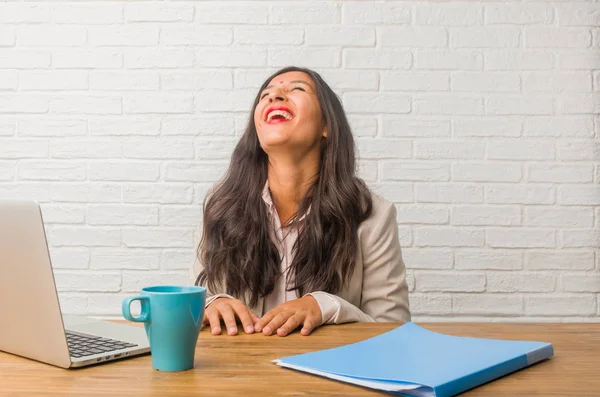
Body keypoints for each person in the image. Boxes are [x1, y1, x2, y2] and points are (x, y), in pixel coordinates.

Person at [191, 66, 410, 338]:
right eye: (265, 95)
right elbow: (195, 299)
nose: (274, 97)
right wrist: (213, 304)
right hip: (239, 375)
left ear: (326, 126)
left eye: (296, 89)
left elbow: (394, 329)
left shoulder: (372, 215)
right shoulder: (222, 207)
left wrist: (327, 306)